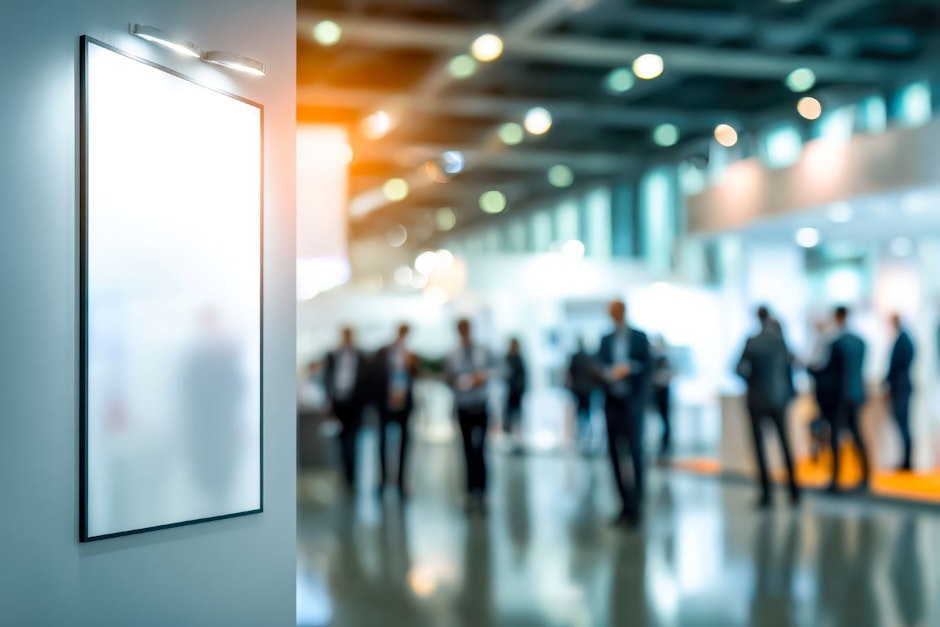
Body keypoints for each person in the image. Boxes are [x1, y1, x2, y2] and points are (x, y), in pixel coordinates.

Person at [735, 306, 800, 507]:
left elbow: (737, 369)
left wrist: (751, 380)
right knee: (785, 445)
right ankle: (794, 492)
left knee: (759, 448)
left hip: (756, 400)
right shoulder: (780, 341)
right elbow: (791, 366)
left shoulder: (752, 342)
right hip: (779, 399)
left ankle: (766, 495)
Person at [596, 299, 651, 528]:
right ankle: (623, 504)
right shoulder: (605, 340)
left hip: (632, 403)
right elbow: (598, 366)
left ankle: (636, 504)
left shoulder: (639, 337)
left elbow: (648, 366)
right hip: (612, 403)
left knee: (635, 452)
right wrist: (605, 374)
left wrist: (630, 368)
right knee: (615, 455)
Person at [812, 305, 869, 493]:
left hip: (840, 397)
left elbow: (829, 372)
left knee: (836, 435)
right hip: (857, 394)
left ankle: (836, 479)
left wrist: (811, 370)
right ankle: (866, 476)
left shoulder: (837, 343)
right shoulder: (860, 341)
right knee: (857, 435)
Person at [446, 318, 494, 513]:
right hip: (464, 406)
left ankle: (482, 492)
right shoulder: (453, 355)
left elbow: (497, 370)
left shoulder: (483, 350)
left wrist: (482, 377)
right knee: (467, 451)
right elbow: (448, 379)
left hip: (480, 405)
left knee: (481, 450)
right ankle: (469, 492)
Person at [374, 324, 419, 497]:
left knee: (404, 443)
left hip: (404, 403)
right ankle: (384, 480)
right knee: (383, 442)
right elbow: (377, 376)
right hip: (386, 403)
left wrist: (412, 365)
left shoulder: (410, 354)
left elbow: (415, 375)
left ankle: (401, 482)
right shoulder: (383, 353)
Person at [324, 326, 369, 494]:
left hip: (354, 403)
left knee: (354, 438)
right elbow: (327, 378)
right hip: (338, 402)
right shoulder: (333, 355)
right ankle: (344, 473)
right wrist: (329, 401)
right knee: (342, 439)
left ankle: (353, 475)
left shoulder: (361, 355)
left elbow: (365, 380)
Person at [884, 313, 915, 471]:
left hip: (900, 388)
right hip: (902, 387)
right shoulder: (905, 339)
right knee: (903, 424)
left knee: (903, 424)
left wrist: (887, 381)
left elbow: (896, 366)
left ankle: (907, 462)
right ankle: (906, 460)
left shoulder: (902, 340)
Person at [567, 338, 597, 455]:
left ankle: (584, 437)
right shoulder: (587, 357)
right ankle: (585, 437)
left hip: (580, 389)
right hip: (585, 389)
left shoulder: (577, 357)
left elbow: (571, 373)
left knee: (582, 413)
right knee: (585, 413)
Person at [649, 336, 674, 463]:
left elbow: (669, 375)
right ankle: (660, 449)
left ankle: (666, 448)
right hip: (654, 395)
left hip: (664, 395)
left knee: (665, 423)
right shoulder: (654, 360)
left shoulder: (665, 359)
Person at [503, 337, 527, 453]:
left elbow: (523, 376)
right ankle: (511, 440)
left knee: (518, 416)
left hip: (517, 392)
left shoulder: (518, 358)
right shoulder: (508, 357)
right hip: (510, 391)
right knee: (510, 416)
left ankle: (518, 440)